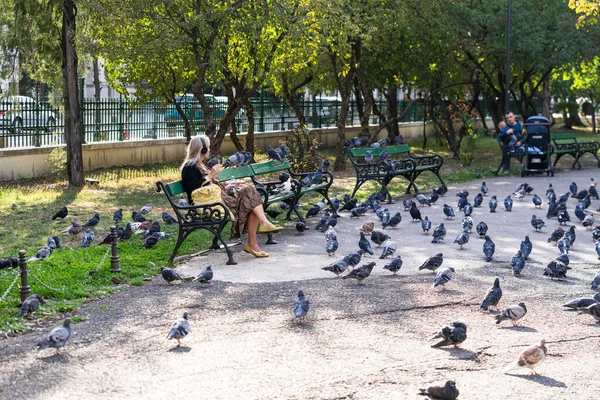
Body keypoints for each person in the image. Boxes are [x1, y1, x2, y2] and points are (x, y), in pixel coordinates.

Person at [181, 135, 282, 258]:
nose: (209, 150)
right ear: (200, 150)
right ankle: (255, 238)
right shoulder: (189, 167)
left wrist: (226, 187)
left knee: (250, 193)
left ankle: (258, 234)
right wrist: (211, 175)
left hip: (218, 200)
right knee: (250, 197)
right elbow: (193, 190)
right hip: (209, 206)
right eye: (207, 148)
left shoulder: (200, 164)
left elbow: (210, 187)